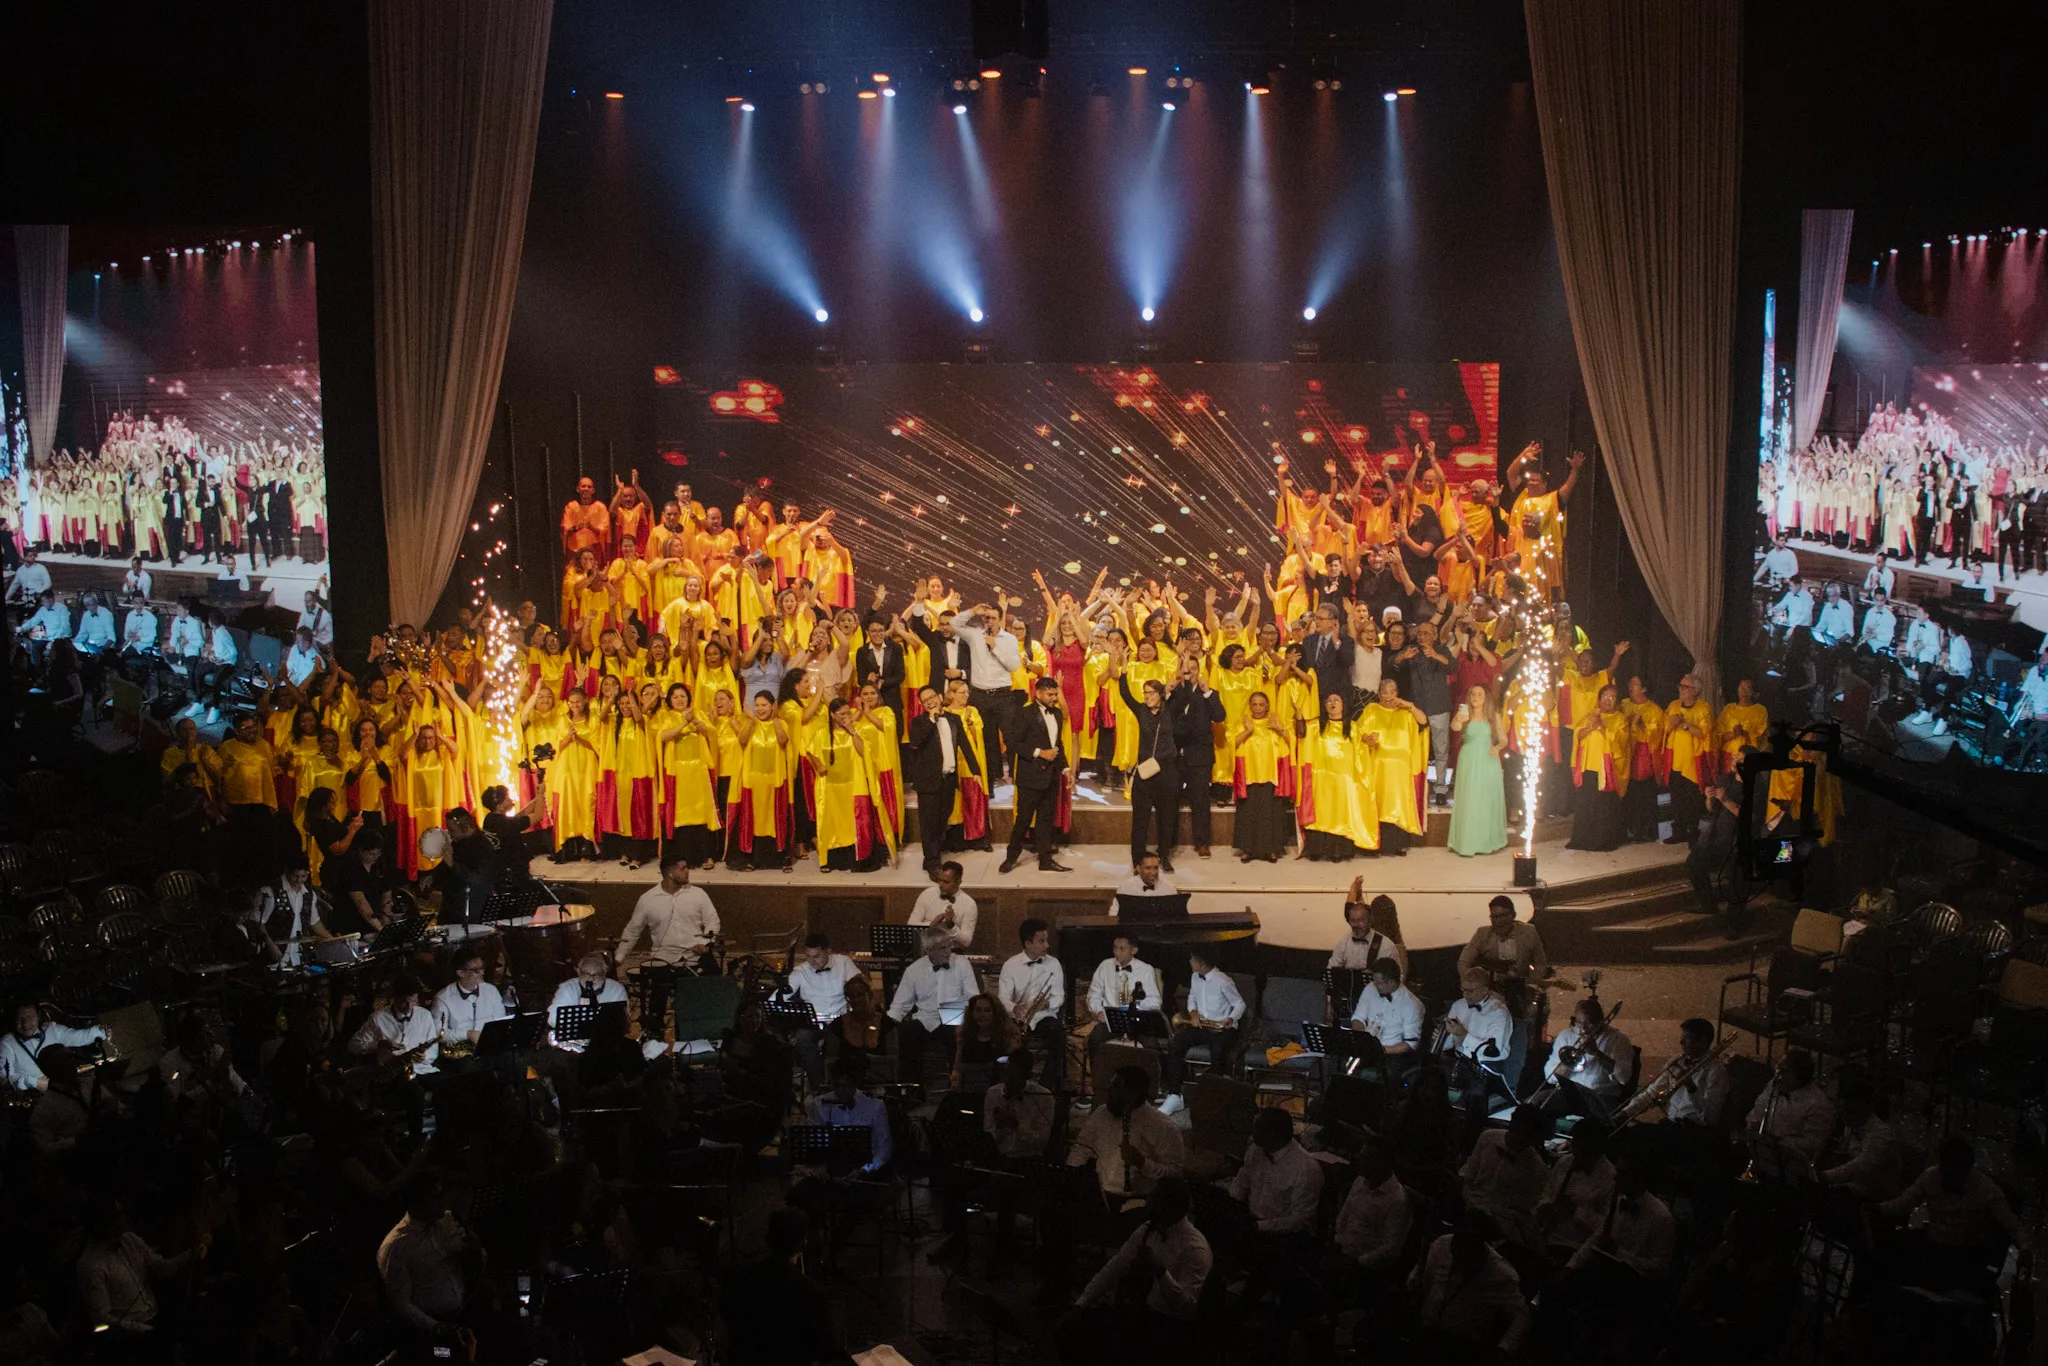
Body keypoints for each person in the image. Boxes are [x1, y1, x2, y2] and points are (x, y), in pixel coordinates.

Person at [1057, 1177, 1211, 1363]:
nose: (1147, 1203)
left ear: (1165, 1207)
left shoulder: (1194, 1248)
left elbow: (1186, 1308)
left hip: (1167, 1327)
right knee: (1070, 1331)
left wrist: (1161, 1272)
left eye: (1153, 1199)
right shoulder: (1148, 1230)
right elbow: (1115, 1267)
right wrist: (1082, 1303)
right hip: (1139, 1313)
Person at [1875, 1135, 2028, 1295]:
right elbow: (1904, 1202)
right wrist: (1878, 1209)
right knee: (1887, 1253)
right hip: (1934, 1243)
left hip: (1965, 1253)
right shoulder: (1932, 1176)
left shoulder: (1987, 1191)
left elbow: (2013, 1226)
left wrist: (2024, 1248)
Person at [77, 1195, 203, 1345]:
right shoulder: (91, 1264)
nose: (124, 1218)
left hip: (155, 1319)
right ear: (106, 1222)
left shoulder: (130, 1240)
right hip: (129, 1338)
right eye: (118, 1215)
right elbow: (101, 1320)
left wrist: (190, 1255)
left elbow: (161, 1268)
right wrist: (142, 1329)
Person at [721, 1207, 839, 1366]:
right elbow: (826, 1351)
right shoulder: (812, 1293)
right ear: (803, 1243)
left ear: (768, 1239)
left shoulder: (740, 1281)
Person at [377, 1175, 479, 1351]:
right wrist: (436, 1326)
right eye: (435, 1197)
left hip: (466, 1311)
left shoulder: (446, 1222)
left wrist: (473, 1252)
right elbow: (400, 1303)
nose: (443, 1201)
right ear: (418, 1202)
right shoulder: (397, 1246)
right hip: (433, 1331)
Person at [1067, 1064, 1185, 1198]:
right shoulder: (1101, 1113)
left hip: (1140, 1199)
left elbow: (1175, 1174)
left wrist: (1142, 1163)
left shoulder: (1163, 1127)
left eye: (1116, 1087)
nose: (1109, 1090)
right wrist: (1071, 1177)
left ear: (1133, 1093)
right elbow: (1081, 1149)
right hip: (1098, 1195)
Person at [887, 928, 983, 1083]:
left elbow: (974, 998)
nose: (948, 952)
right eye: (943, 948)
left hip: (954, 1016)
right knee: (907, 1035)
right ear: (929, 950)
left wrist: (962, 1014)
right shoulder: (913, 970)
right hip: (926, 1018)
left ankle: (960, 1084)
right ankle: (912, 1088)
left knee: (961, 1036)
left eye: (949, 946)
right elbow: (900, 1005)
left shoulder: (962, 965)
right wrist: (886, 1023)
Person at [1158, 946, 1244, 1115]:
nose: (1189, 962)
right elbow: (1192, 998)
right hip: (1204, 1026)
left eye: (1192, 959)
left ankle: (1215, 1098)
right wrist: (1193, 1012)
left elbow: (1240, 1004)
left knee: (1217, 1050)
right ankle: (1175, 1095)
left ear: (1200, 962)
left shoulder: (1223, 980)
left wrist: (1231, 1018)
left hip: (1223, 1028)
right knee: (1176, 1043)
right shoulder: (1195, 977)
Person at [904, 685, 977, 876]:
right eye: (925, 700)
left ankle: (931, 856)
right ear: (921, 704)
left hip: (948, 778)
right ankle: (932, 863)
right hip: (928, 781)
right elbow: (916, 742)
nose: (930, 701)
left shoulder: (953, 719)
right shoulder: (919, 722)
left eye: (932, 697)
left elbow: (965, 745)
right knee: (929, 822)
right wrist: (931, 719)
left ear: (939, 696)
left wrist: (975, 769)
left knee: (942, 819)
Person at [1002, 675, 1073, 872]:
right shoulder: (1025, 713)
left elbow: (1058, 745)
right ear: (1038, 693)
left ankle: (1045, 860)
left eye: (1055, 694)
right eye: (1050, 694)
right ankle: (1011, 857)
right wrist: (1039, 753)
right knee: (1023, 819)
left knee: (1045, 820)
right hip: (1030, 777)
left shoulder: (1057, 714)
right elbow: (1013, 742)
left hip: (1050, 777)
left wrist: (1066, 769)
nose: (1054, 698)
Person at [1116, 667, 1181, 869]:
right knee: (1140, 819)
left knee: (1167, 816)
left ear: (1160, 694)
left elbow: (1182, 691)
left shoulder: (1170, 710)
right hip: (1145, 772)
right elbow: (1125, 694)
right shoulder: (1141, 710)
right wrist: (1124, 670)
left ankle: (1164, 856)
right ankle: (1137, 860)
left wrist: (1182, 665)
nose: (1147, 696)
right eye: (1145, 693)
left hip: (1167, 772)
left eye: (1151, 692)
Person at [615, 854, 720, 969]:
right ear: (670, 874)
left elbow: (712, 920)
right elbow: (633, 930)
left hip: (697, 955)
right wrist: (619, 957)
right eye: (682, 868)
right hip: (664, 958)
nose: (687, 871)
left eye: (687, 867)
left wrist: (705, 942)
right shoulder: (648, 899)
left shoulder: (698, 894)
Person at [998, 918, 1068, 1087]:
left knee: (1059, 1035)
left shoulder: (1054, 964)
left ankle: (1047, 1085)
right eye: (1041, 941)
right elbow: (1002, 998)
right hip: (1020, 1017)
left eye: (1046, 940)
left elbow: (1059, 996)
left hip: (1044, 1016)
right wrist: (1015, 1007)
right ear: (1028, 944)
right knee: (1005, 1036)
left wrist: (1046, 1004)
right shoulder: (1010, 965)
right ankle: (1009, 1081)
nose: (1047, 945)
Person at [1819, 1064, 1903, 1201]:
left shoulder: (1880, 1135)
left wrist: (1825, 1176)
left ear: (1867, 1107)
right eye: (1843, 1110)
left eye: (1851, 1112)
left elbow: (1860, 1167)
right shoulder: (1852, 1126)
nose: (1845, 1116)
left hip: (1875, 1201)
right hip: (1852, 1192)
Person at [786, 932, 861, 1084]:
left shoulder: (843, 963)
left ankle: (846, 1083)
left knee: (846, 1040)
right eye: (808, 956)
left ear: (828, 951)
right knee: (803, 1039)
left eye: (817, 956)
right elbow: (784, 994)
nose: (812, 961)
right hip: (814, 1021)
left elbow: (860, 986)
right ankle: (818, 1085)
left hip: (840, 1018)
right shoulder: (801, 971)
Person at [1541, 997, 1634, 1118]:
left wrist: (1597, 1053)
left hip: (1602, 1096)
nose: (1583, 1029)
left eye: (1589, 1023)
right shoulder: (1566, 1036)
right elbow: (1549, 1077)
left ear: (1601, 1020)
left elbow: (1624, 1078)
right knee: (1537, 1104)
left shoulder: (1618, 1040)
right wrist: (1567, 1064)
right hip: (1570, 1094)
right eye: (1579, 1022)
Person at [1446, 683, 1509, 855]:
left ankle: (1487, 840)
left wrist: (1498, 747)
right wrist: (1459, 719)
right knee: (1470, 798)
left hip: (1488, 760)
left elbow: (1504, 739)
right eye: (1473, 694)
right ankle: (1467, 842)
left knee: (1486, 798)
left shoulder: (1494, 716)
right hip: (1469, 759)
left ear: (1486, 698)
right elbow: (1454, 728)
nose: (1475, 697)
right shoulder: (1464, 714)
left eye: (1480, 694)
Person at [1743, 1048, 1834, 1162]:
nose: (1777, 1072)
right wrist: (1752, 1124)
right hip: (1759, 1148)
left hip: (1787, 1160)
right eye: (1778, 1066)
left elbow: (1812, 1144)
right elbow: (1758, 1109)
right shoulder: (1776, 1083)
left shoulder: (1818, 1105)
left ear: (1797, 1078)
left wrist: (1779, 1142)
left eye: (1783, 1070)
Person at [1084, 930, 1164, 1060]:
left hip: (1136, 1020)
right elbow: (1093, 993)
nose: (1116, 952)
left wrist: (1136, 1002)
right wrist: (1099, 1011)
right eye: (1115, 948)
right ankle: (1100, 1078)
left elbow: (1156, 1002)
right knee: (1095, 1039)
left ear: (1134, 950)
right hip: (1111, 1020)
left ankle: (1148, 1079)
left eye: (1122, 949)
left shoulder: (1146, 970)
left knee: (1151, 1046)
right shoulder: (1105, 965)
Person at [1, 1001, 108, 1091]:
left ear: (38, 1016)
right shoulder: (7, 1043)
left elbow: (80, 1037)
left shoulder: (52, 1030)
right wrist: (34, 1082)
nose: (25, 1023)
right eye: (20, 1019)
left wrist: (101, 1031)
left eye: (29, 1017)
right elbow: (4, 1077)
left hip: (62, 1089)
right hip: (33, 1096)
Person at [431, 950, 507, 1056]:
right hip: (461, 1051)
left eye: (482, 968)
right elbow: (437, 1033)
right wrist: (467, 1034)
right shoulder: (442, 999)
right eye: (477, 970)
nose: (482, 972)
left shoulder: (491, 990)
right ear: (461, 973)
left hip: (490, 1046)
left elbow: (500, 1021)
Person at [1350, 957, 1424, 1062]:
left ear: (1392, 982)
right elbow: (1358, 1017)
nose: (1375, 985)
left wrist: (1379, 1050)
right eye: (1374, 981)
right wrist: (1361, 1038)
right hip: (1366, 1048)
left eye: (1379, 983)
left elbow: (1409, 1043)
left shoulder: (1411, 1005)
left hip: (1391, 1054)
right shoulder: (1370, 989)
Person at [908, 859, 978, 947]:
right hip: (926, 951)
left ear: (958, 882)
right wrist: (930, 925)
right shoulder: (927, 894)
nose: (940, 885)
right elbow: (910, 926)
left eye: (946, 882)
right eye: (939, 880)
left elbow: (966, 942)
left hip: (952, 954)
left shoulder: (969, 904)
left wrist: (951, 926)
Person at [1111, 852, 1179, 915]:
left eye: (1156, 868)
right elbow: (1114, 912)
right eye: (1148, 868)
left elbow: (1175, 914)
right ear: (1138, 868)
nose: (1153, 872)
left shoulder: (1169, 888)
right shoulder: (1125, 887)